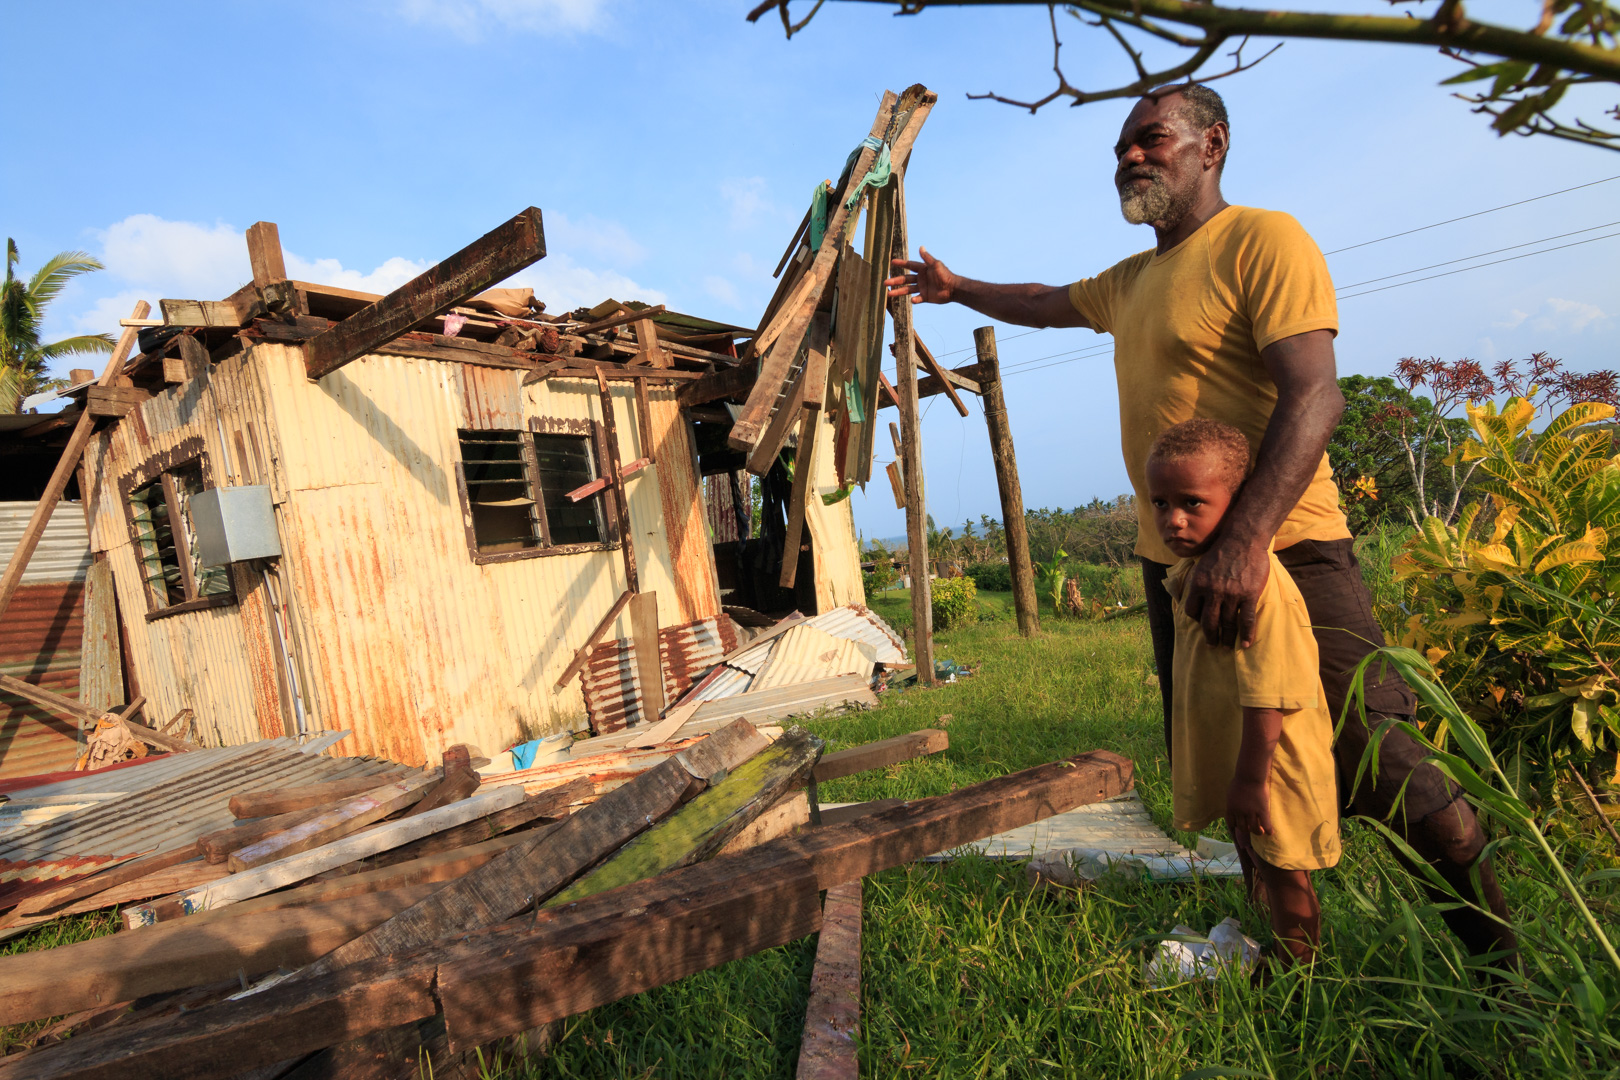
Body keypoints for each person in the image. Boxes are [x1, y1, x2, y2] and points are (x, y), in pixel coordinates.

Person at [884, 83, 1515, 962]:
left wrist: (1247, 542)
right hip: (1174, 568)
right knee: (1226, 766)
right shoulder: (1133, 280)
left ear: (1211, 145)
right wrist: (956, 289)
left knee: (1383, 763)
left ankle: (1502, 969)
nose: (1130, 159)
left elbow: (1316, 395)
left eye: (1151, 139)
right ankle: (1280, 954)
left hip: (1288, 551)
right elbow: (1045, 298)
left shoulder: (1264, 239)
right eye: (1120, 149)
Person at [1149, 418, 1339, 963]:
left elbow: (1271, 691)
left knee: (1284, 866)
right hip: (1242, 751)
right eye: (1161, 503)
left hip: (1272, 757)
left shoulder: (1260, 586)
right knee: (1251, 848)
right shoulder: (1194, 572)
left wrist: (1252, 780)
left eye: (1192, 502)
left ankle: (1295, 974)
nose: (1173, 519)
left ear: (1239, 502)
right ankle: (1258, 928)